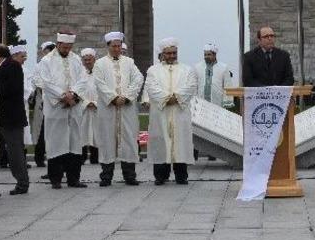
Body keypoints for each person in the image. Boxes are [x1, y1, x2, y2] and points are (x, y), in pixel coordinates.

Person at [34, 31, 87, 188]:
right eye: (64, 47)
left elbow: (83, 80)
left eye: (69, 47)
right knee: (56, 144)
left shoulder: (76, 59)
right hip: (56, 108)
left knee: (74, 144)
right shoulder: (47, 61)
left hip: (73, 108)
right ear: (58, 45)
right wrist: (62, 96)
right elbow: (46, 82)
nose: (67, 50)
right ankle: (55, 179)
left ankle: (73, 179)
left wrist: (74, 95)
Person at [93, 31, 143, 187]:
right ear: (108, 46)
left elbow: (138, 78)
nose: (116, 49)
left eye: (119, 46)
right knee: (107, 140)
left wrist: (127, 96)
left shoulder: (129, 62)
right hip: (108, 109)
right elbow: (99, 83)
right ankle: (106, 176)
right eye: (113, 46)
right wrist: (113, 97)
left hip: (126, 109)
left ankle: (130, 175)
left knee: (128, 140)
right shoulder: (100, 63)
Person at [146, 38, 198, 185]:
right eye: (168, 53)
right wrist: (166, 98)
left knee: (180, 143)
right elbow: (151, 87)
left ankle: (181, 176)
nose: (171, 56)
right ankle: (160, 176)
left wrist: (177, 97)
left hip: (179, 113)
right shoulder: (153, 70)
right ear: (162, 54)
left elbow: (191, 86)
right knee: (161, 142)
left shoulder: (187, 70)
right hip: (161, 112)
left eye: (174, 53)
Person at [0, 44, 30, 195]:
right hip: (6, 118)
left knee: (15, 152)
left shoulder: (12, 66)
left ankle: (22, 183)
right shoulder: (9, 66)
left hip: (11, 118)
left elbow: (9, 90)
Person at [29, 40, 53, 168]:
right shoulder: (39, 66)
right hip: (43, 102)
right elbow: (36, 81)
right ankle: (39, 157)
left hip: (56, 102)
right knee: (41, 132)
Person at [194, 44, 235, 108]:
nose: (206, 57)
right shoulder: (197, 67)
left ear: (215, 55)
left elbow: (228, 86)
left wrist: (227, 103)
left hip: (218, 104)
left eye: (209, 54)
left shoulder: (223, 67)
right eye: (205, 55)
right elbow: (194, 86)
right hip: (200, 104)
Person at [78, 48, 100, 165]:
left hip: (97, 109)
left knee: (97, 133)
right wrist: (86, 102)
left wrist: (95, 103)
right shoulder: (79, 74)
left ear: (94, 59)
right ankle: (81, 156)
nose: (87, 62)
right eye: (85, 60)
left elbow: (104, 89)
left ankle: (95, 157)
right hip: (84, 109)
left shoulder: (100, 73)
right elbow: (77, 90)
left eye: (89, 59)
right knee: (83, 132)